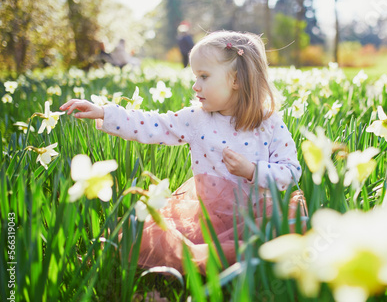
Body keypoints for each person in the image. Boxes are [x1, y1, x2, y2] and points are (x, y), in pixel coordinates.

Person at [60, 30, 305, 273]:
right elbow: (150, 124)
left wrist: (252, 171)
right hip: (208, 219)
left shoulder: (269, 124)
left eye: (204, 76)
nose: (195, 85)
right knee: (154, 235)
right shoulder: (196, 119)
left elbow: (292, 172)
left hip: (255, 216)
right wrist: (105, 113)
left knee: (281, 236)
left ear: (236, 80)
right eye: (195, 76)